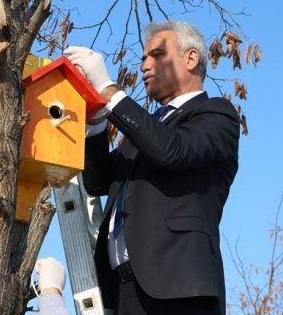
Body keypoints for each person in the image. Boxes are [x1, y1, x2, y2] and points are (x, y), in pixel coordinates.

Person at [64, 20, 240, 315]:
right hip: (121, 292)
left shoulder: (217, 114)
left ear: (191, 58)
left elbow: (172, 151)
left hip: (177, 291)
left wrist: (110, 91)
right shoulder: (147, 131)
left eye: (156, 55)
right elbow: (97, 182)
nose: (144, 64)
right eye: (143, 57)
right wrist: (95, 122)